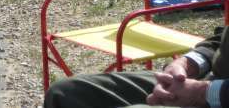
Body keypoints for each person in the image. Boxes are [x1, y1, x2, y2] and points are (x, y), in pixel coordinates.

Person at [44, 25, 229, 108]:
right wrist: (187, 63)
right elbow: (222, 35)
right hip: (209, 80)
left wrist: (204, 93)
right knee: (65, 94)